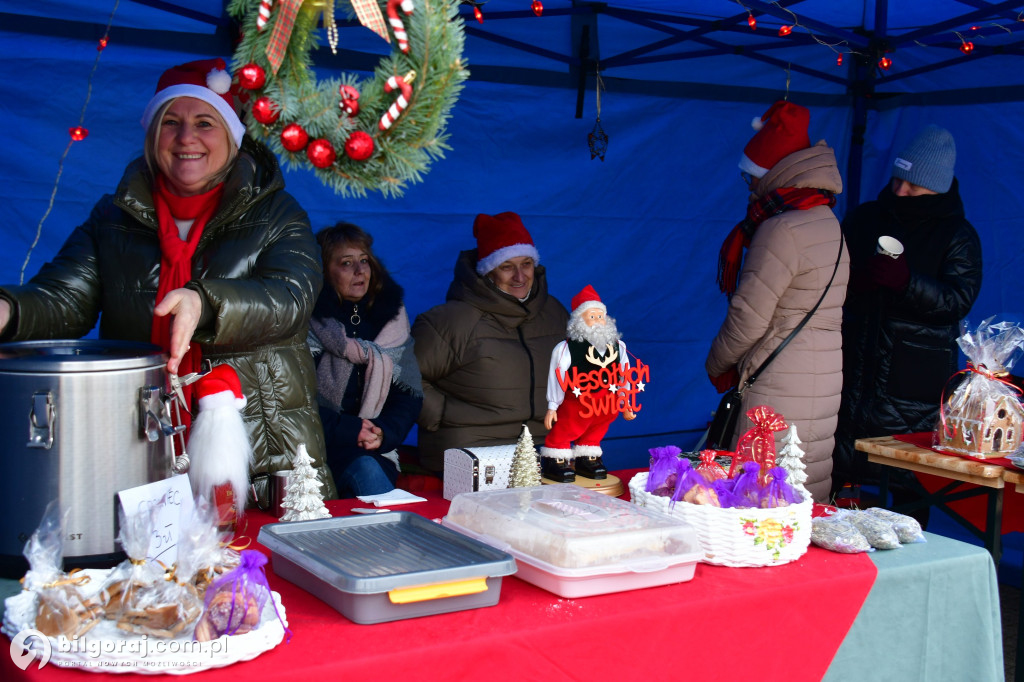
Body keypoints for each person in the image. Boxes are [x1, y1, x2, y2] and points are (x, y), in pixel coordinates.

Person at [0, 58, 336, 502]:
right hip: (139, 442)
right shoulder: (112, 217)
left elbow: (291, 299)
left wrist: (205, 303)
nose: (186, 138)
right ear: (152, 135)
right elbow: (66, 298)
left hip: (261, 450)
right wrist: (11, 310)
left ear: (233, 137)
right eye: (171, 122)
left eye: (204, 122)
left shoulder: (276, 212)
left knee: (248, 566)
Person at [831, 125, 983, 514]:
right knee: (836, 464)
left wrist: (907, 283)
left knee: (907, 482)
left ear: (937, 187)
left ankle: (909, 564)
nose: (901, 191)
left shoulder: (958, 235)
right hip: (855, 362)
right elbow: (830, 275)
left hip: (912, 380)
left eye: (913, 185)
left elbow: (958, 300)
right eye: (897, 179)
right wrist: (856, 278)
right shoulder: (867, 218)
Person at [705, 100, 849, 504]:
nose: (749, 187)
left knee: (763, 495)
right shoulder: (828, 223)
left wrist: (716, 364)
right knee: (806, 481)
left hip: (779, 378)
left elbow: (748, 318)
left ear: (769, 174)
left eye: (750, 177)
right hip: (824, 373)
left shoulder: (780, 228)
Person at [412, 212, 569, 475]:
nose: (520, 277)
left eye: (527, 264)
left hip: (543, 447)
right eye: (507, 266)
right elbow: (402, 378)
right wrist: (442, 413)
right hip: (472, 450)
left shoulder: (555, 314)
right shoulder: (450, 321)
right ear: (487, 272)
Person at [308, 222, 423, 496]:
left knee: (368, 466)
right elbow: (296, 402)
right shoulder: (307, 322)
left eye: (364, 261)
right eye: (346, 263)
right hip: (318, 447)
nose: (360, 271)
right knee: (364, 470)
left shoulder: (391, 322)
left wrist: (383, 433)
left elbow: (409, 395)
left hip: (374, 447)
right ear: (325, 270)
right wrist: (351, 430)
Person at [541, 285, 634, 482]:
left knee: (598, 429)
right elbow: (556, 377)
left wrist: (626, 403)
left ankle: (587, 458)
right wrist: (552, 406)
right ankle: (555, 459)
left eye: (600, 316)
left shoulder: (619, 347)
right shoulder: (566, 348)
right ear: (579, 321)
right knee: (567, 427)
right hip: (578, 401)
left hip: (607, 403)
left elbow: (625, 375)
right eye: (592, 316)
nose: (598, 321)